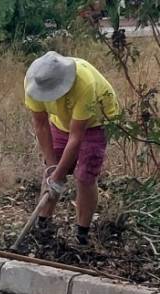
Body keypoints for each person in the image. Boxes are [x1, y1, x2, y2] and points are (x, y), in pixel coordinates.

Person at [24, 51, 119, 246]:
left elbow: (77, 137)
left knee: (85, 175)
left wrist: (58, 176)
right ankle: (44, 226)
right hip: (61, 122)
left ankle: (82, 234)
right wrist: (53, 169)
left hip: (95, 122)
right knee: (50, 172)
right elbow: (41, 125)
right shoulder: (33, 83)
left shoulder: (84, 84)